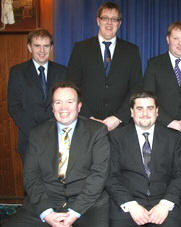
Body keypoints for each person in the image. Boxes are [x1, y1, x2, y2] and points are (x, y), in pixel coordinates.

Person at [3, 81, 110, 227]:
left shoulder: (97, 131)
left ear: (79, 106)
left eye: (70, 102)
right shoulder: (37, 134)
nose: (63, 108)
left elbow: (99, 176)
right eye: (58, 102)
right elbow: (31, 176)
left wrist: (73, 213)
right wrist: (47, 213)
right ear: (52, 107)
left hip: (87, 205)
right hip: (46, 201)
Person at [106, 90, 181, 227]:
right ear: (131, 112)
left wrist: (165, 204)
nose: (145, 114)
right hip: (129, 204)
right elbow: (110, 177)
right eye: (139, 109)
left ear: (157, 111)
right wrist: (131, 205)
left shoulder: (173, 138)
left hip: (164, 203)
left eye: (150, 108)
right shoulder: (116, 138)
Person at [67, 1, 143, 131]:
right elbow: (72, 86)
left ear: (119, 23)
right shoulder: (80, 48)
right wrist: (88, 117)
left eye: (114, 19)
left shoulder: (132, 51)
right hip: (87, 124)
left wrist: (118, 117)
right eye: (105, 18)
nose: (109, 23)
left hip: (121, 126)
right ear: (98, 21)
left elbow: (136, 88)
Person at [8, 29, 66, 160]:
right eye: (37, 46)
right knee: (32, 180)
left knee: (57, 180)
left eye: (46, 46)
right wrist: (35, 133)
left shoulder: (62, 72)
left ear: (51, 48)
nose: (42, 50)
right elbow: (14, 107)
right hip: (29, 140)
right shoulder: (17, 72)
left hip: (57, 139)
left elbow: (66, 105)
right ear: (29, 47)